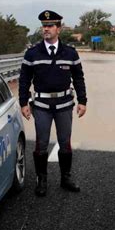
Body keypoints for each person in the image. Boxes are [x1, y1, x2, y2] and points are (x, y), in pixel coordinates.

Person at [19, 10, 87, 197]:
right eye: (44, 26)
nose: (46, 29)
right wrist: (23, 102)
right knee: (41, 144)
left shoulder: (70, 53)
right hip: (41, 106)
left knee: (65, 143)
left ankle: (66, 178)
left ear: (59, 28)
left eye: (50, 26)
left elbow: (78, 78)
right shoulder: (32, 53)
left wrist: (82, 101)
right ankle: (42, 179)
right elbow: (24, 79)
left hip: (64, 105)